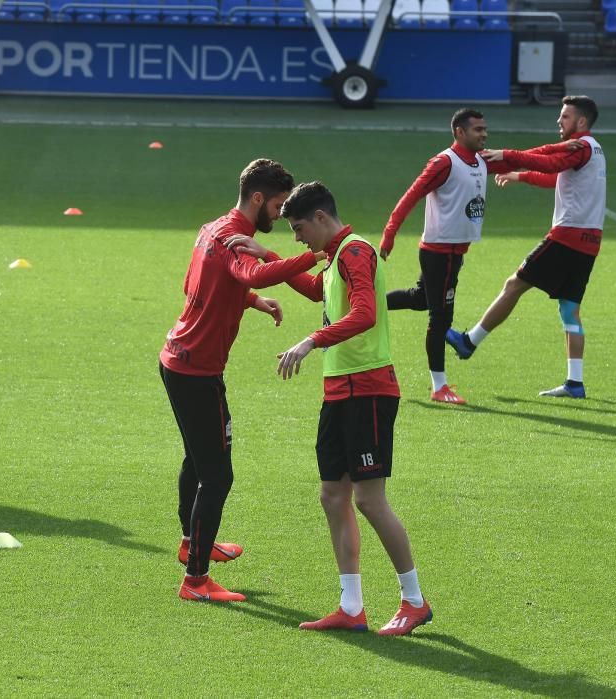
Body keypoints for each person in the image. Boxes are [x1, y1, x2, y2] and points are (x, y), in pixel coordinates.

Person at [160, 158, 322, 603]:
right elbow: (250, 271)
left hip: (180, 360)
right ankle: (195, 580)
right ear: (257, 199)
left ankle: (193, 544)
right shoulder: (236, 240)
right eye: (277, 206)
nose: (281, 215)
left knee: (198, 461)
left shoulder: (211, 229)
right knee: (217, 475)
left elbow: (195, 285)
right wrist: (311, 255)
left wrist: (251, 301)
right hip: (197, 371)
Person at [273, 181, 432, 635]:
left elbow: (365, 313)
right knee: (333, 495)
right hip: (339, 392)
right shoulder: (336, 256)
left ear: (321, 217)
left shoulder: (356, 252)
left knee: (369, 498)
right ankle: (351, 607)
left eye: (300, 228)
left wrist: (310, 341)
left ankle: (415, 601)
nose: (298, 238)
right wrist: (264, 257)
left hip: (370, 389)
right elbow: (315, 291)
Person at [380, 108, 565, 405]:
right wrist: (390, 233)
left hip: (455, 252)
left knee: (420, 299)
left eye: (484, 128)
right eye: (478, 129)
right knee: (440, 317)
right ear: (459, 132)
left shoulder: (480, 160)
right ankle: (439, 387)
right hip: (439, 253)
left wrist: (561, 151)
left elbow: (522, 157)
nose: (484, 134)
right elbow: (412, 195)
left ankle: (361, 304)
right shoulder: (444, 163)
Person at [446, 96, 606, 399]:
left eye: (565, 116)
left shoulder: (581, 147)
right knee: (570, 310)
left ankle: (469, 342)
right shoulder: (593, 149)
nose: (559, 121)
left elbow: (551, 163)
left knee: (514, 284)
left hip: (566, 237)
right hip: (590, 243)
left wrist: (507, 154)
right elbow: (556, 177)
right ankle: (575, 382)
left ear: (581, 122)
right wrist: (519, 175)